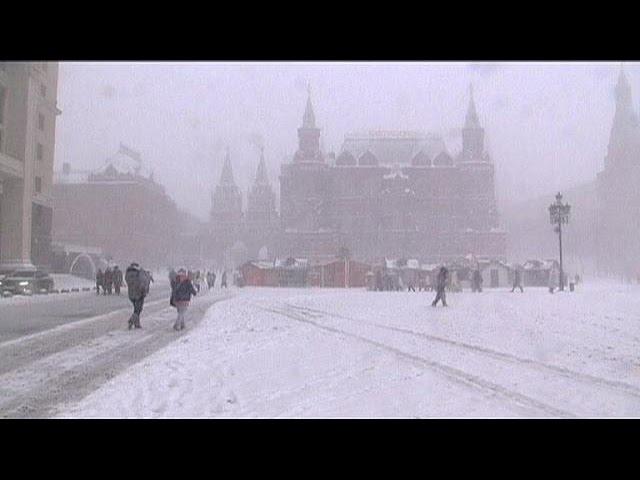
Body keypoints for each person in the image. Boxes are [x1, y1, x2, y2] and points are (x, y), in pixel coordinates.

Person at [125, 262, 149, 329]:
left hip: (131, 294)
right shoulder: (139, 273)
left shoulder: (127, 273)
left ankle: (137, 324)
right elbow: (142, 283)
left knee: (136, 308)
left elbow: (128, 282)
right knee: (138, 309)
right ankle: (131, 320)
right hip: (139, 293)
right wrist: (144, 291)